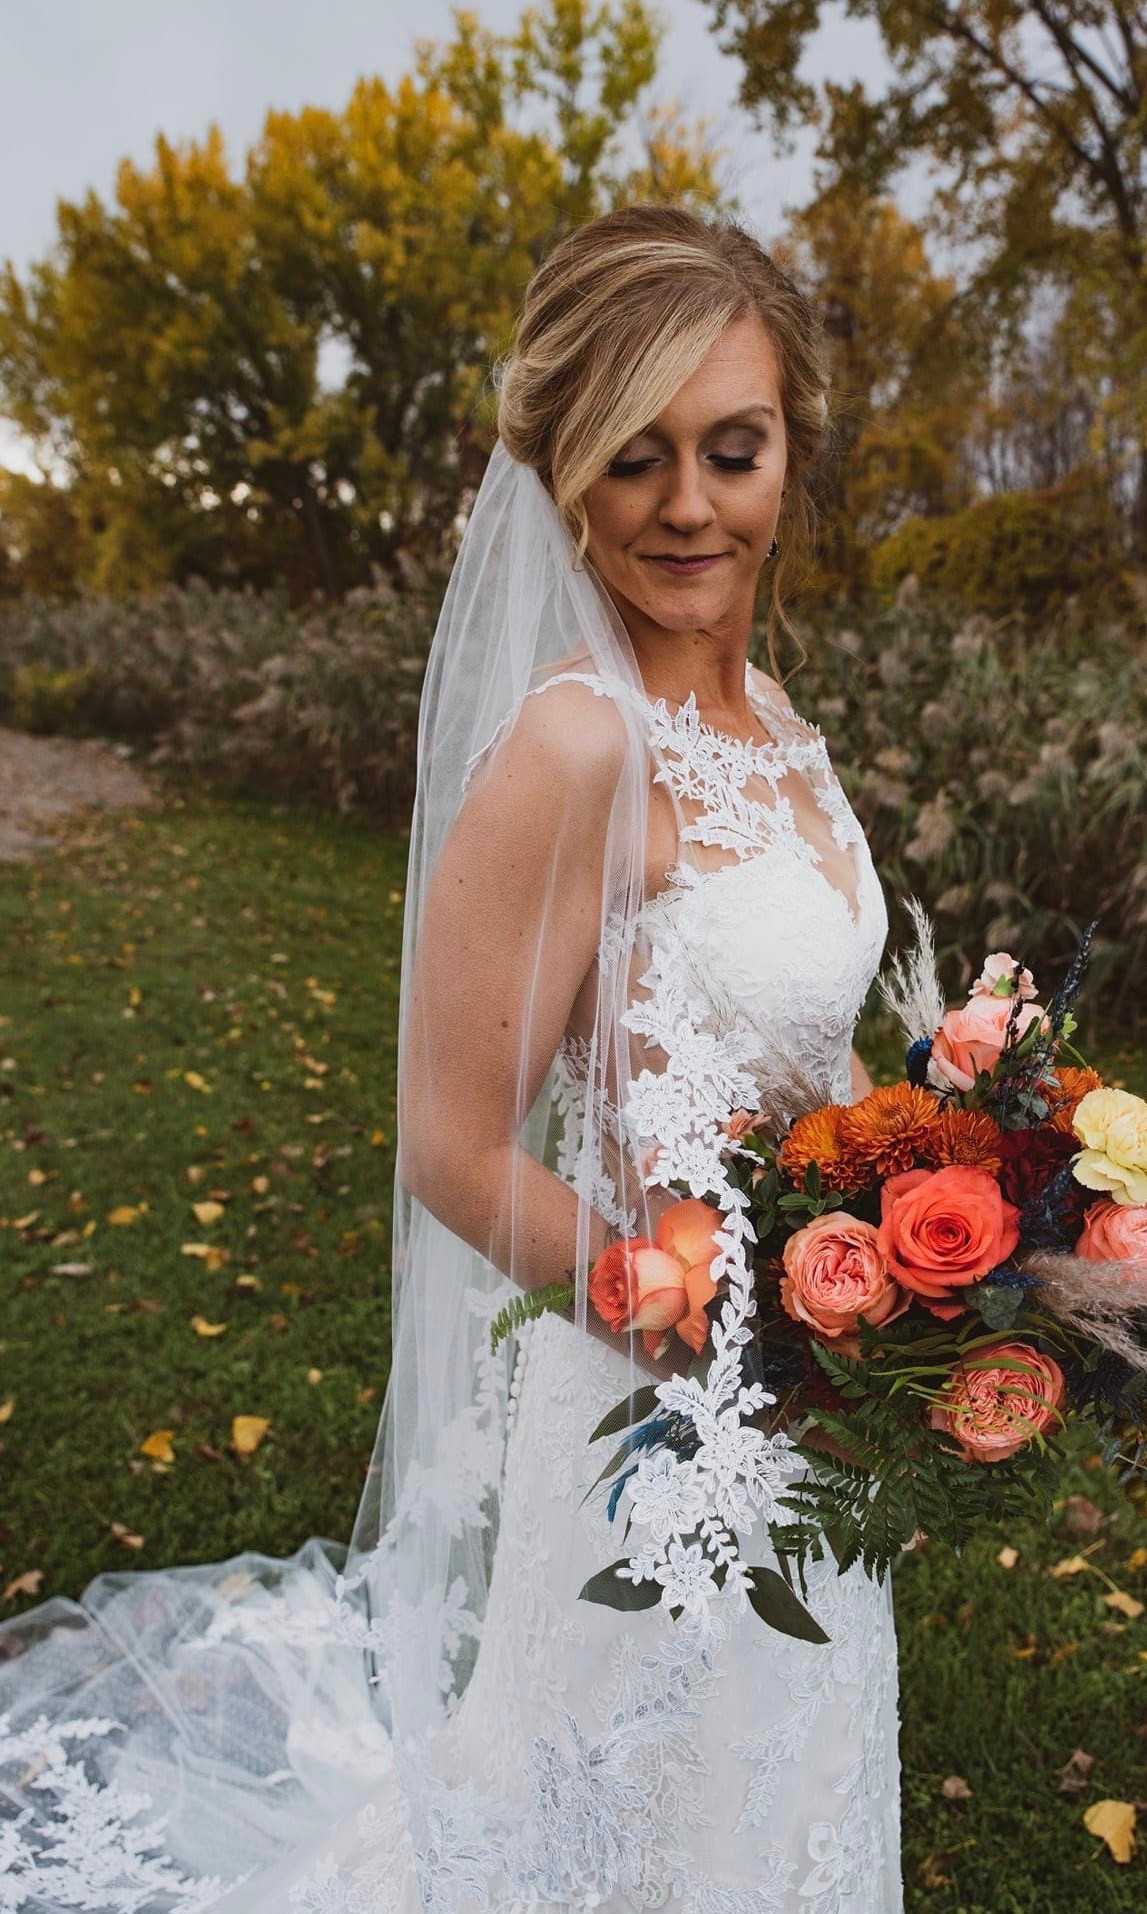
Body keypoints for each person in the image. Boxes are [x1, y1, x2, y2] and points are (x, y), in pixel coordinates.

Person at [0, 204, 902, 1911]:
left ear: (791, 447)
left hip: (822, 1390)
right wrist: (728, 1345)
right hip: (658, 1412)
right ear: (564, 472)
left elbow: (806, 1046)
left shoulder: (777, 721)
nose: (690, 504)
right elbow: (452, 1147)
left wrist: (931, 1219)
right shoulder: (576, 746)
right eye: (635, 456)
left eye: (733, 449)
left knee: (788, 1791)